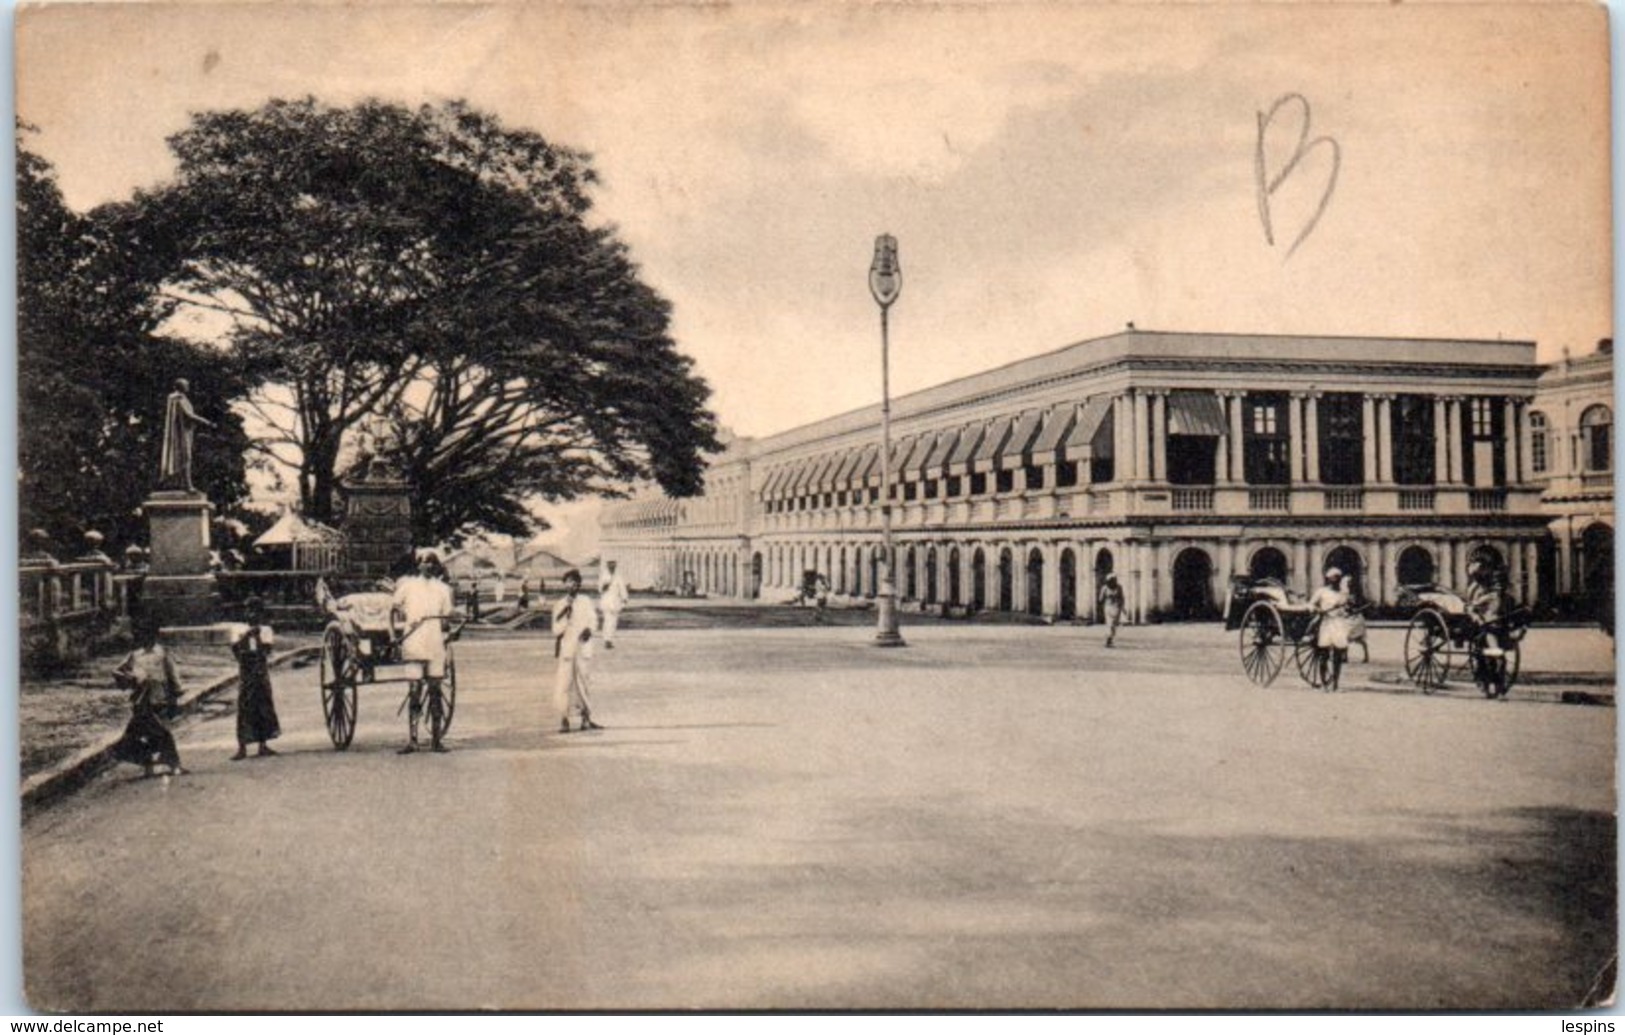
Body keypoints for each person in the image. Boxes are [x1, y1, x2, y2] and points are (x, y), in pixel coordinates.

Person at [391, 553, 457, 753]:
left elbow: (446, 618)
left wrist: (449, 630)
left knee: (435, 691)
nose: (426, 566)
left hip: (435, 643)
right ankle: (413, 740)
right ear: (418, 566)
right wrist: (393, 634)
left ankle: (436, 739)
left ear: (436, 566)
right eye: (422, 562)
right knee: (414, 692)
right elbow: (393, 610)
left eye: (430, 562)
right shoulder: (408, 586)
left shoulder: (443, 589)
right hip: (414, 642)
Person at [111, 620, 187, 777]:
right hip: (141, 700)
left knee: (162, 732)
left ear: (155, 636)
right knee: (142, 734)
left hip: (160, 698)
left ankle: (173, 765)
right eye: (142, 635)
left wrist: (176, 695)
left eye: (149, 635)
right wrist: (129, 679)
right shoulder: (135, 655)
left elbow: (172, 675)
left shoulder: (162, 653)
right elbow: (117, 671)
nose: (146, 638)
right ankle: (150, 766)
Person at [230, 597, 282, 760]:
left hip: (260, 672)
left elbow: (266, 650)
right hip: (246, 672)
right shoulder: (238, 629)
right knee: (244, 706)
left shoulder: (265, 630)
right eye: (248, 610)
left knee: (263, 706)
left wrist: (257, 635)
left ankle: (263, 744)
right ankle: (242, 747)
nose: (251, 614)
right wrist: (247, 635)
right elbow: (236, 650)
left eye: (254, 611)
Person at [551, 569, 601, 733]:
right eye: (569, 582)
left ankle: (586, 718)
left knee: (583, 683)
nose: (572, 585)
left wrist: (589, 629)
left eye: (575, 582)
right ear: (564, 584)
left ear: (579, 584)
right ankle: (564, 719)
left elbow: (593, 619)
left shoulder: (585, 601)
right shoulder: (559, 605)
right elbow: (555, 630)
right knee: (564, 684)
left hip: (582, 648)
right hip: (567, 649)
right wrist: (565, 616)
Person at [159, 378, 214, 492]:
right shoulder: (178, 398)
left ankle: (178, 482)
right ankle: (187, 485)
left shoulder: (179, 398)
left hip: (185, 431)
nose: (188, 387)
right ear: (180, 386)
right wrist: (206, 422)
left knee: (184, 457)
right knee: (186, 457)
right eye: (186, 385)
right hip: (180, 433)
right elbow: (189, 415)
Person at [1308, 567, 1352, 691]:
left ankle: (1335, 685)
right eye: (1333, 578)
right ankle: (1324, 684)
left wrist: (1346, 608)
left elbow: (1345, 606)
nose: (1336, 581)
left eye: (1338, 578)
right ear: (1329, 579)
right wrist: (1318, 610)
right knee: (1324, 654)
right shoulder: (1322, 592)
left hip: (1338, 624)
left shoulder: (1343, 593)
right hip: (1326, 623)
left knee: (1338, 655)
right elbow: (1311, 605)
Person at [599, 560, 630, 649]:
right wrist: (605, 586)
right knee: (607, 620)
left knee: (613, 622)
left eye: (613, 565)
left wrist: (624, 598)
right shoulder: (603, 576)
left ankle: (610, 639)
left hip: (615, 602)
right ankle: (606, 640)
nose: (612, 567)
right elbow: (600, 589)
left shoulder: (618, 577)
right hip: (606, 601)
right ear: (607, 566)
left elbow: (622, 588)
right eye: (610, 565)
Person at [1098, 574, 1125, 647]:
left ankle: (1110, 639)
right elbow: (1100, 598)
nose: (1112, 582)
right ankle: (1108, 639)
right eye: (1111, 580)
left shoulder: (1119, 587)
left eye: (1113, 580)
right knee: (1110, 624)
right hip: (1108, 607)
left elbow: (1122, 598)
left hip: (1116, 607)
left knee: (1114, 624)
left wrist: (1122, 607)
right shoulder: (1105, 588)